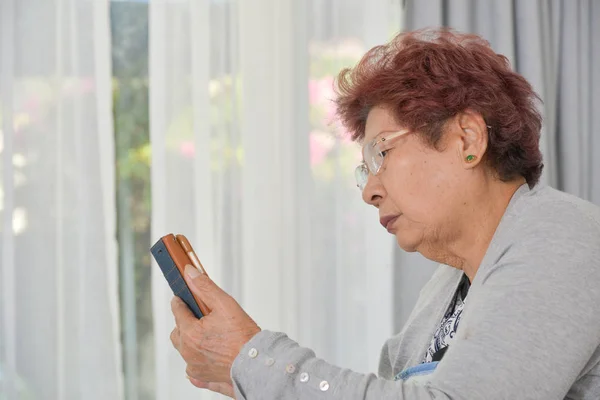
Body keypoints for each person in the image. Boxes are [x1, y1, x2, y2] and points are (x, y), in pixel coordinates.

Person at [169, 28, 600, 399]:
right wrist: (241, 373)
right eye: (364, 171)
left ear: (467, 139)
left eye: (381, 153)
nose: (370, 191)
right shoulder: (445, 288)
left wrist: (252, 358)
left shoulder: (565, 237)